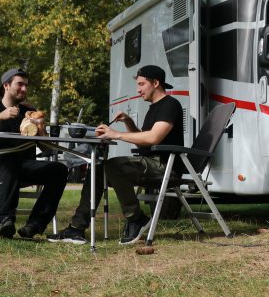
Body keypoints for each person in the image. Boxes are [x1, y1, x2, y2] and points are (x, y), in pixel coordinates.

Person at [48, 65, 183, 245]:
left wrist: (116, 134)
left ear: (156, 83)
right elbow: (142, 141)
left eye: (142, 84)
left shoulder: (171, 104)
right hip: (150, 162)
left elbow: (154, 137)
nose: (138, 89)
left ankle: (136, 218)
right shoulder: (154, 108)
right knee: (98, 169)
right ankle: (77, 228)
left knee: (112, 165)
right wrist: (128, 122)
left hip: (165, 166)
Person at [0, 68, 67, 239]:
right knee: (9, 159)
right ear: (6, 85)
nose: (24, 89)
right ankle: (5, 219)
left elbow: (47, 149)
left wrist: (41, 130)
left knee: (59, 170)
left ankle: (34, 226)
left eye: (26, 85)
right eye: (20, 84)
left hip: (23, 164)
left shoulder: (29, 113)